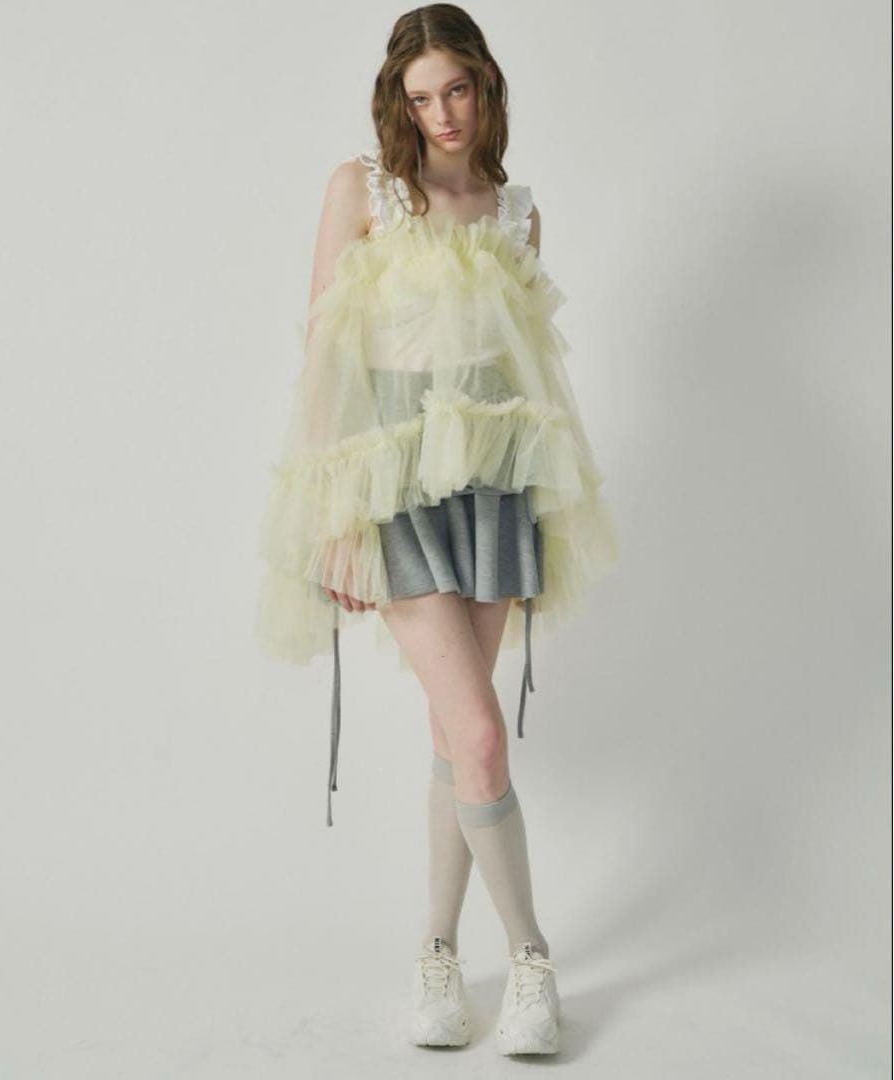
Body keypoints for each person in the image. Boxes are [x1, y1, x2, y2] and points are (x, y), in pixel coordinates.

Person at [255, 3, 618, 1056]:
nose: (442, 114)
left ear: (485, 85)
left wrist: (545, 500)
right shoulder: (363, 190)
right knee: (481, 737)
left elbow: (525, 368)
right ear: (399, 103)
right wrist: (335, 513)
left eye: (456, 89)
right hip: (393, 489)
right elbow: (323, 351)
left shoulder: (515, 212)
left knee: (455, 738)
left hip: (494, 487)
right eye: (421, 98)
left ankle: (437, 953)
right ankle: (533, 958)